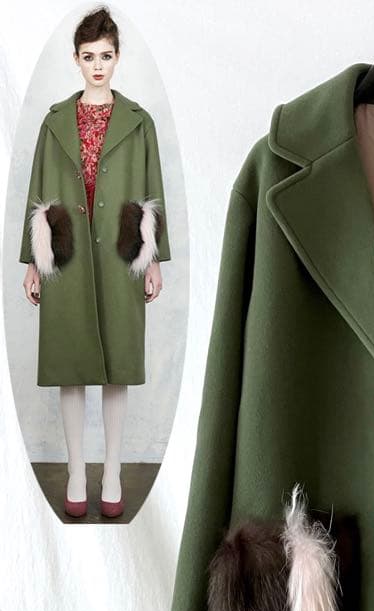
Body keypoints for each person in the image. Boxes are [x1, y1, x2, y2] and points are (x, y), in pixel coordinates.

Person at [20, 5, 171, 519]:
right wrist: (31, 261)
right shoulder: (54, 122)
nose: (98, 66)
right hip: (66, 253)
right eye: (89, 57)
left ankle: (111, 471)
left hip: (120, 252)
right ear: (76, 60)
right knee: (70, 364)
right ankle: (75, 471)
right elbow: (37, 190)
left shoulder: (139, 122)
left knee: (116, 366)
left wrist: (155, 259)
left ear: (118, 57)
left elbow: (153, 189)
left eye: (106, 56)